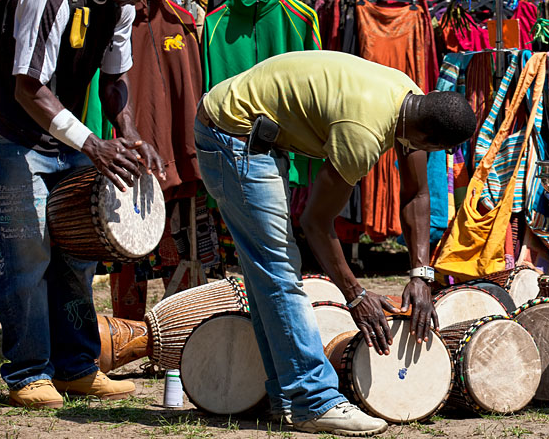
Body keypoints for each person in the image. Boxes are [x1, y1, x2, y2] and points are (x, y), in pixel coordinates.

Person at [195, 51, 477, 436]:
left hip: (254, 131)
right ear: (425, 138)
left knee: (269, 275)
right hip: (231, 134)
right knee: (278, 270)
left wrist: (421, 275)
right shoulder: (363, 132)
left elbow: (416, 194)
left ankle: (287, 398)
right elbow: (315, 222)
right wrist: (356, 294)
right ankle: (315, 401)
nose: (428, 158)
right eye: (433, 151)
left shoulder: (411, 98)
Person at [0, 0, 175, 409]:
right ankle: (28, 373)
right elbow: (28, 88)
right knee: (26, 257)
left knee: (76, 253)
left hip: (65, 135)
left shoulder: (121, 4)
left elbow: (114, 80)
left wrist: (126, 133)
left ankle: (77, 368)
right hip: (10, 135)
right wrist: (92, 144)